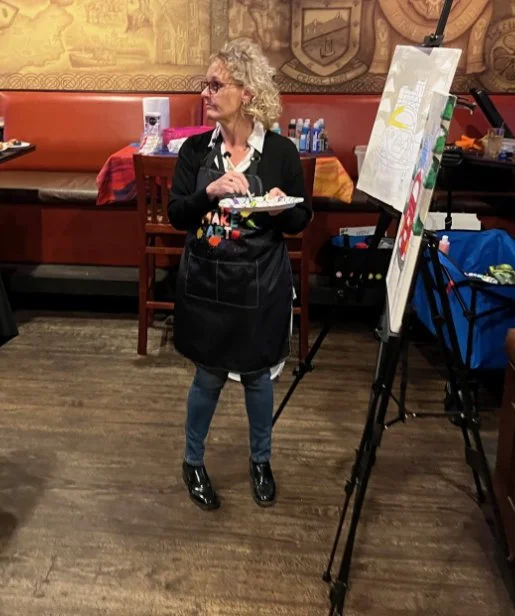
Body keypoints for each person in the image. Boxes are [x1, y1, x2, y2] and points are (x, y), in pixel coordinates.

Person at [167, 38, 312, 511]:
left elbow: (300, 220)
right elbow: (177, 215)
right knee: (207, 377)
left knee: (257, 377)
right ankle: (192, 461)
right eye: (205, 84)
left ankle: (261, 461)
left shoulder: (281, 153)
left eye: (215, 85)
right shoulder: (194, 151)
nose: (205, 93)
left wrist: (279, 207)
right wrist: (208, 192)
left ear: (247, 92)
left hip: (260, 282)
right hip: (206, 281)